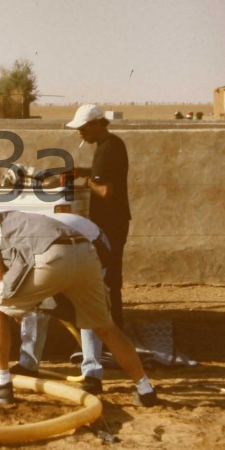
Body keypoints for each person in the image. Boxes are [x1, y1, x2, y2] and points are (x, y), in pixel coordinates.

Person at [0, 210, 157, 406]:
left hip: (54, 254)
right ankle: (145, 390)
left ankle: (1, 386)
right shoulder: (18, 222)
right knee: (106, 327)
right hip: (85, 252)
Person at [12, 212, 110, 395]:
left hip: (93, 245)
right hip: (61, 246)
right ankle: (28, 365)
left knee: (88, 309)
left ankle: (92, 375)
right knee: (36, 304)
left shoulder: (23, 241)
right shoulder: (17, 239)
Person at [67, 104, 131, 329]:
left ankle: (114, 329)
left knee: (108, 278)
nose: (80, 133)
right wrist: (83, 172)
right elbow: (103, 174)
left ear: (96, 124)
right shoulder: (110, 144)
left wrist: (86, 182)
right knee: (108, 277)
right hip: (114, 222)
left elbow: (105, 190)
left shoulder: (107, 148)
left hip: (110, 223)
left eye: (83, 128)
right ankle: (113, 327)